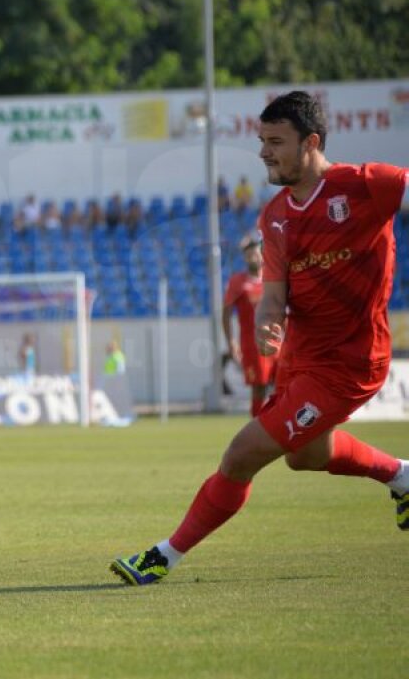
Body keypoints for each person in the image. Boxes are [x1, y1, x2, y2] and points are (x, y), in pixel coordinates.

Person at [111, 91, 409, 586]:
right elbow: (273, 297)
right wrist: (266, 323)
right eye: (262, 141)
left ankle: (164, 556)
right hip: (301, 359)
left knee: (241, 454)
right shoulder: (274, 217)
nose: (264, 152)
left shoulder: (367, 185)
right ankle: (402, 475)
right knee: (304, 457)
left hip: (350, 363)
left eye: (276, 142)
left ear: (311, 143)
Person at [222, 233, 273, 417]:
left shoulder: (273, 278)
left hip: (278, 341)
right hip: (252, 344)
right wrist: (231, 342)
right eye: (249, 254)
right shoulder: (237, 282)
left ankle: (279, 425)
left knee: (285, 385)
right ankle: (258, 426)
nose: (253, 257)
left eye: (256, 253)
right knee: (259, 387)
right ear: (244, 257)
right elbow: (226, 313)